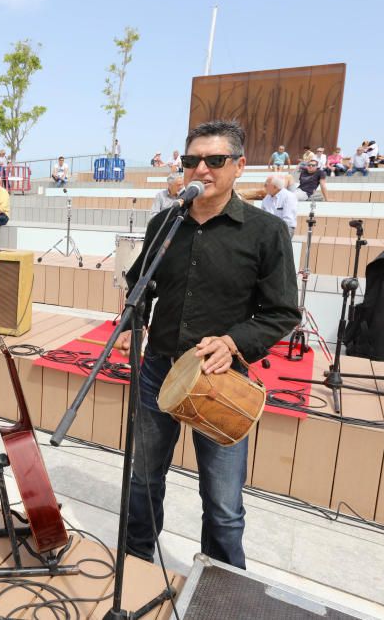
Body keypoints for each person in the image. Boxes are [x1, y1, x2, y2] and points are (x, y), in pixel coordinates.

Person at [116, 119, 300, 569]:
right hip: (159, 367)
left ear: (238, 167)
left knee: (222, 502)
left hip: (221, 378)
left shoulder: (265, 232)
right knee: (142, 479)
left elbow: (282, 313)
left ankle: (222, 584)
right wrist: (130, 323)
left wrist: (234, 341)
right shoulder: (166, 222)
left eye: (214, 160)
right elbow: (142, 281)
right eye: (192, 160)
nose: (201, 169)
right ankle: (137, 562)